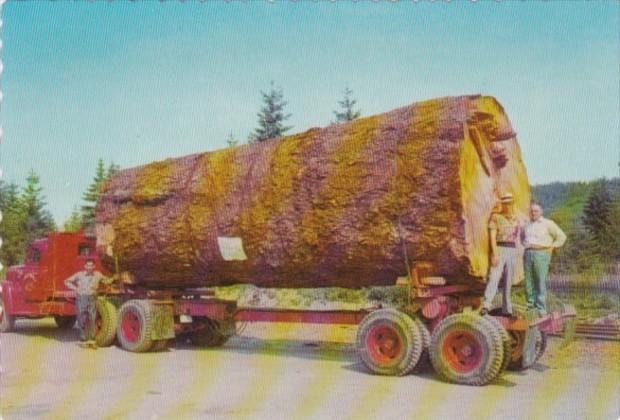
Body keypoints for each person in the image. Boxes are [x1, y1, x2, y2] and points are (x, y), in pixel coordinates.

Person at [522, 202, 566, 316]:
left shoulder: (548, 224)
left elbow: (561, 236)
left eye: (536, 211)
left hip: (541, 253)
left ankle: (541, 309)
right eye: (531, 211)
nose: (533, 213)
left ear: (541, 211)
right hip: (528, 253)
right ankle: (530, 307)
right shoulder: (526, 224)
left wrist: (552, 247)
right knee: (528, 282)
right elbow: (522, 237)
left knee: (540, 281)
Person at [480, 193, 520, 317]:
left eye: (509, 203)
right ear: (502, 204)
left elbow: (519, 236)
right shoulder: (496, 217)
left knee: (508, 281)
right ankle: (486, 304)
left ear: (512, 204)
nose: (507, 206)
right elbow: (492, 237)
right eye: (505, 203)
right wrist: (495, 254)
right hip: (500, 247)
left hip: (512, 249)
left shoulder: (516, 219)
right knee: (494, 277)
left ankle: (507, 309)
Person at [64, 259, 114, 348]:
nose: (89, 267)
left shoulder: (98, 275)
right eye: (88, 266)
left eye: (91, 266)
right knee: (81, 318)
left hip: (92, 298)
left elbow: (106, 281)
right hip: (81, 298)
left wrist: (114, 278)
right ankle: (83, 340)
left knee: (92, 318)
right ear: (85, 266)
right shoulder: (79, 275)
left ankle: (92, 340)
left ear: (94, 267)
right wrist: (75, 289)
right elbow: (67, 281)